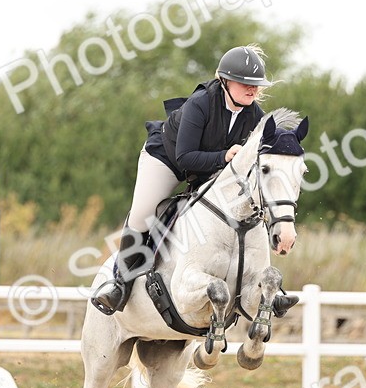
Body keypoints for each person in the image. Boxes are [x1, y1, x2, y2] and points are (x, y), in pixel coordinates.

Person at [91, 45, 273, 315]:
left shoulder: (255, 116)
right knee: (143, 213)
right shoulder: (201, 103)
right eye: (245, 83)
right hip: (167, 158)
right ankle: (119, 284)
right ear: (224, 81)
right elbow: (185, 156)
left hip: (207, 168)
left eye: (256, 85)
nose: (252, 90)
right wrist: (224, 156)